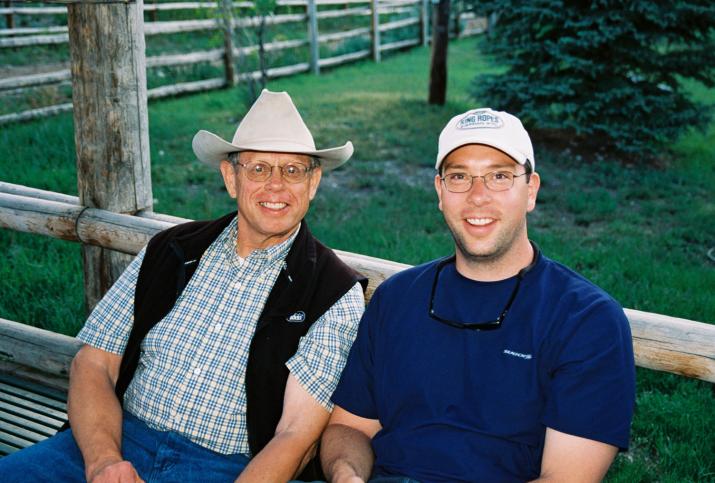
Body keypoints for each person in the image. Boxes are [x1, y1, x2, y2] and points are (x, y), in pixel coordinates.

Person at [0, 90, 366, 482]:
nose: (275, 185)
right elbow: (93, 362)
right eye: (258, 168)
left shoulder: (334, 293)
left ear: (313, 183)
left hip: (225, 469)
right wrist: (105, 462)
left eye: (293, 170)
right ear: (231, 177)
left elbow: (296, 435)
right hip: (118, 437)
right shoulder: (172, 249)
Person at [321, 108, 636, 482]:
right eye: (459, 177)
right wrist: (346, 474)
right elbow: (350, 428)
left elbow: (565, 478)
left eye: (499, 176)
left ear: (531, 190)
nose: (478, 196)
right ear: (440, 192)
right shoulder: (397, 298)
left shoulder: (586, 320)